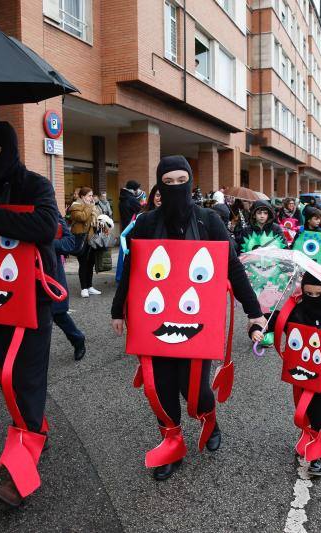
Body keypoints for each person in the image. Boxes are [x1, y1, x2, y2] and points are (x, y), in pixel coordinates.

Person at [111, 155, 266, 481]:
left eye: (182, 181)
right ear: (159, 184)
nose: (175, 188)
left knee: (194, 389)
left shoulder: (209, 220)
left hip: (198, 322)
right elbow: (133, 271)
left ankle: (208, 416)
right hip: (154, 320)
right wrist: (118, 309)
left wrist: (255, 313)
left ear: (191, 182)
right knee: (162, 387)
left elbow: (233, 268)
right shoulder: (146, 222)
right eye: (168, 183)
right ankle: (172, 441)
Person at [0, 121, 61, 506]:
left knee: (26, 375)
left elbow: (45, 226)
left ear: (9, 148)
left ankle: (22, 473)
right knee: (8, 375)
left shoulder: (36, 185)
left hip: (34, 297)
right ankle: (36, 426)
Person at [268, 271, 321, 476]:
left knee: (316, 410)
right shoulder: (296, 310)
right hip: (299, 374)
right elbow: (274, 321)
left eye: (318, 294)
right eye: (309, 294)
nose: (313, 298)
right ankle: (307, 436)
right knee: (302, 408)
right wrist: (260, 328)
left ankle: (317, 455)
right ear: (303, 291)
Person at [53, 216, 87, 361]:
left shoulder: (51, 212)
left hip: (50, 273)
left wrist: (44, 242)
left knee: (57, 313)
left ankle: (78, 339)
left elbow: (69, 243)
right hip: (23, 274)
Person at [68, 187, 103, 297]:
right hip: (81, 238)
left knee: (91, 263)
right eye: (89, 195)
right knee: (83, 264)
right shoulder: (75, 206)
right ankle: (84, 288)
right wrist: (90, 207)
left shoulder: (93, 207)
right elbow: (82, 217)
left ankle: (90, 286)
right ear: (82, 196)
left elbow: (97, 218)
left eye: (92, 195)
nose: (91, 198)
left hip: (91, 239)